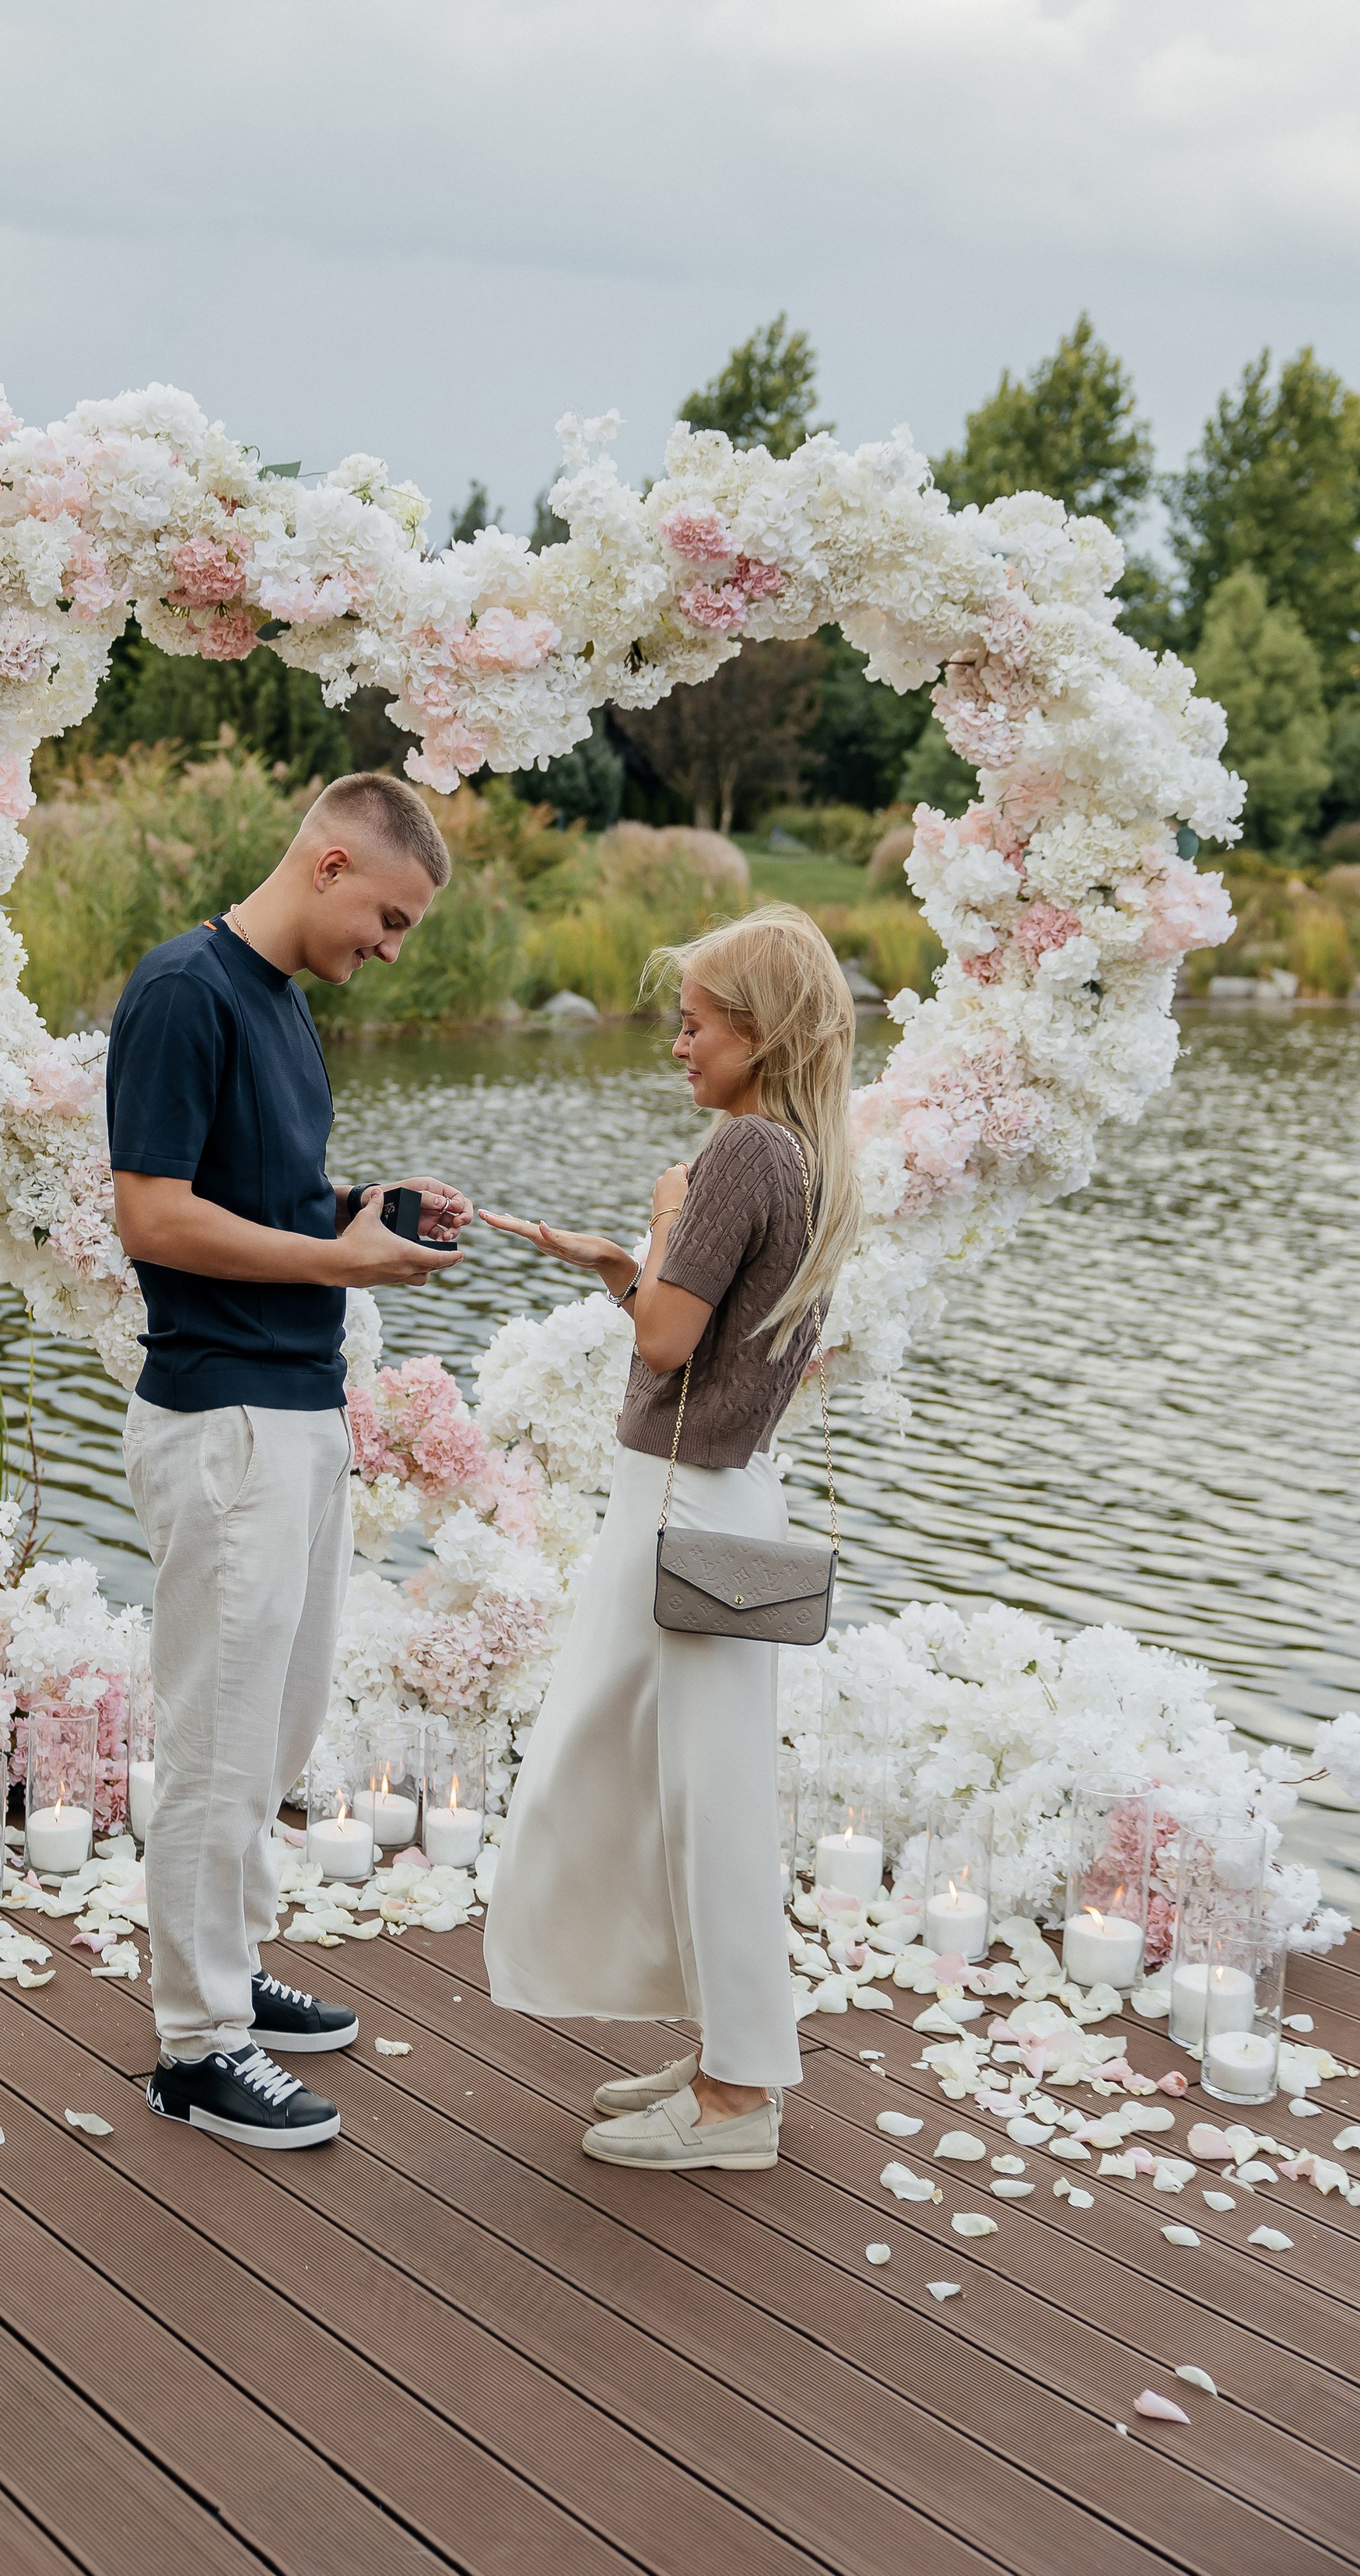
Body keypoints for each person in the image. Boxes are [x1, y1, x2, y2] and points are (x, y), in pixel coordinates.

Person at [109, 773, 471, 2150]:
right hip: (225, 1420)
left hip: (305, 1413)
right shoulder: (183, 990)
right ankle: (195, 2046)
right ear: (326, 866)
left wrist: (368, 1207)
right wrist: (335, 1257)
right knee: (217, 1730)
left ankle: (232, 1971)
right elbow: (153, 1216)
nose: (392, 945)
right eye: (389, 915)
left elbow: (262, 1194)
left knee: (284, 1720)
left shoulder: (284, 1010)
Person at [481, 904, 858, 2171]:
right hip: (708, 1497)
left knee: (702, 1797)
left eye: (695, 1022)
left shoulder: (742, 1154)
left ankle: (742, 2099)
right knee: (682, 1787)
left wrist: (655, 1221)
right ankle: (725, 2056)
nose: (676, 1042)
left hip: (686, 1507)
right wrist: (615, 1260)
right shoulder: (800, 1154)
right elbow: (697, 1329)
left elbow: (664, 1341)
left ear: (760, 1033)